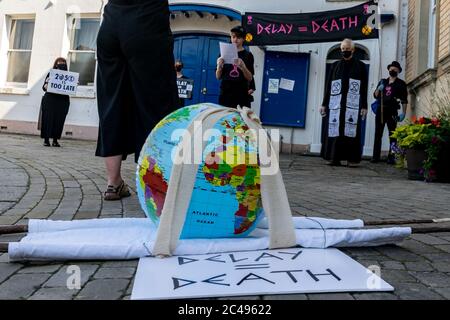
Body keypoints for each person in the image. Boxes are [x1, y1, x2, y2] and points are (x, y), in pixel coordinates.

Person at [95, 0, 178, 201]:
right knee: (155, 103)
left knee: (111, 103)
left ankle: (113, 183)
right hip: (146, 20)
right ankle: (155, 184)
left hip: (111, 23)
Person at [320, 38, 368, 167]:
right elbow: (328, 86)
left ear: (353, 50)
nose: (345, 51)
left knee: (350, 130)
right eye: (343, 49)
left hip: (353, 105)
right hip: (336, 105)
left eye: (347, 49)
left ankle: (351, 159)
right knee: (335, 130)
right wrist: (324, 104)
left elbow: (364, 87)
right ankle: (334, 157)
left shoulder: (361, 66)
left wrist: (364, 106)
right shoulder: (335, 65)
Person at [371, 61, 408, 164]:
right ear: (388, 70)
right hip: (381, 110)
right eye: (391, 69)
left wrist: (403, 113)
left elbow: (404, 100)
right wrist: (379, 89)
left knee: (393, 134)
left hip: (392, 111)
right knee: (378, 133)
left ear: (398, 71)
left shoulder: (401, 84)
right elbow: (375, 95)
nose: (393, 71)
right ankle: (375, 156)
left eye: (395, 70)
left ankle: (392, 157)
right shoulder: (383, 81)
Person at [216, 26, 254, 109]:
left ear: (243, 39)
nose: (235, 39)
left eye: (238, 37)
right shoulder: (223, 53)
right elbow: (218, 77)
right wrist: (219, 66)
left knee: (240, 120)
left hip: (241, 93)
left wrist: (243, 67)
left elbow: (250, 78)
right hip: (225, 93)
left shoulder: (248, 55)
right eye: (233, 37)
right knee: (224, 120)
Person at [39, 57, 70, 147]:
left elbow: (70, 89)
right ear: (56, 65)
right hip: (50, 100)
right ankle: (46, 139)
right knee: (48, 119)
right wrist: (47, 83)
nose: (61, 65)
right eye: (59, 63)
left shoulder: (69, 76)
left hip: (62, 101)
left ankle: (55, 140)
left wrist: (74, 85)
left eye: (63, 63)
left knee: (59, 120)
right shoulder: (51, 74)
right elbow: (44, 88)